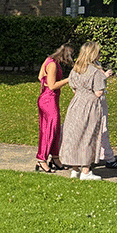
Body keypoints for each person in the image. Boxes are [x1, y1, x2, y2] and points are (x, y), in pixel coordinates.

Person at [58, 41, 111, 180]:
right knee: (88, 136)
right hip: (90, 105)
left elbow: (73, 88)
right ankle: (86, 171)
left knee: (74, 135)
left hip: (76, 104)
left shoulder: (76, 69)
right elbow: (99, 92)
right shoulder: (96, 72)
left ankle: (75, 169)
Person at [36, 44, 74, 172]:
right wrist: (68, 80)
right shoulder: (52, 64)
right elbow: (52, 86)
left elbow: (40, 76)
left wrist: (45, 83)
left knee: (55, 129)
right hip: (49, 100)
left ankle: (55, 157)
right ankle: (41, 159)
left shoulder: (48, 60)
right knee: (49, 130)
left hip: (47, 99)